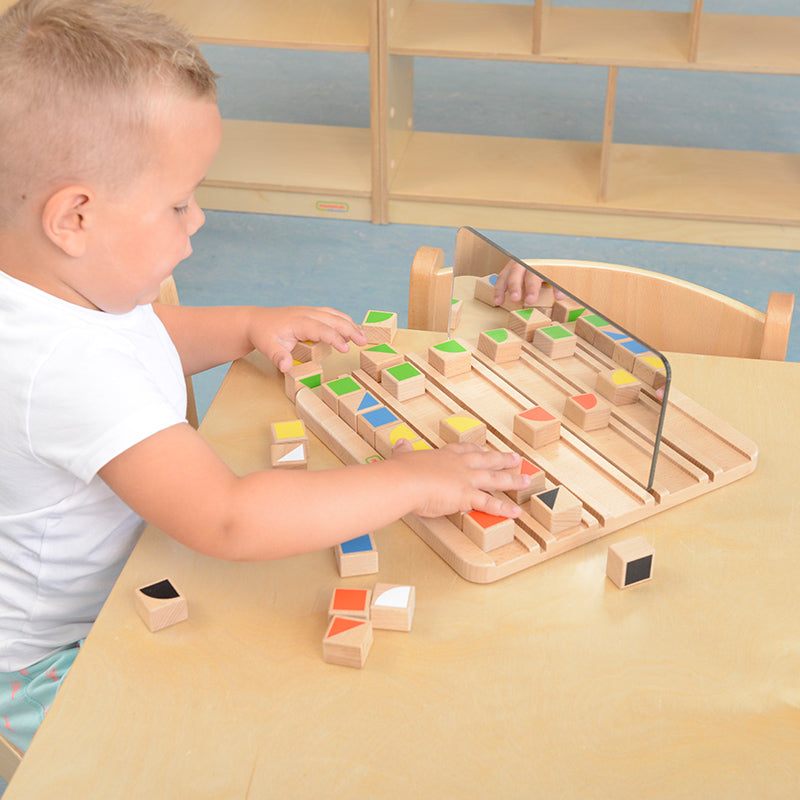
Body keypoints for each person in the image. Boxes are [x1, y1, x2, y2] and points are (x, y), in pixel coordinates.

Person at [0, 0, 530, 752]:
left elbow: (145, 338)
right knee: (259, 727)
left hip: (123, 573)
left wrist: (246, 323)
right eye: (179, 202)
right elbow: (229, 518)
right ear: (75, 219)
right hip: (50, 662)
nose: (200, 220)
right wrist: (415, 479)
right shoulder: (64, 368)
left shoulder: (50, 286)